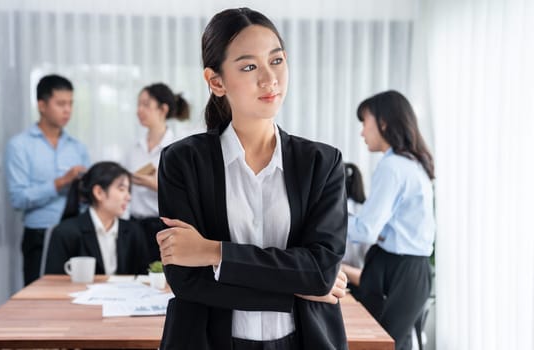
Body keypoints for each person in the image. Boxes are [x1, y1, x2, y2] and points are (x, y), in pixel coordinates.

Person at [155, 8, 348, 350]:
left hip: (304, 341)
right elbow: (186, 281)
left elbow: (320, 271)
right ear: (216, 81)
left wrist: (214, 253)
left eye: (276, 61)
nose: (269, 79)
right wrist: (296, 287)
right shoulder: (182, 161)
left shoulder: (322, 162)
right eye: (248, 67)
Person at [348, 90, 435, 350]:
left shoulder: (393, 166)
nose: (362, 132)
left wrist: (328, 223)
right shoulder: (412, 163)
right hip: (407, 267)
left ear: (383, 122)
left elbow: (365, 230)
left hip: (401, 268)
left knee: (383, 344)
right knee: (398, 342)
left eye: (365, 123)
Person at [5, 74, 90, 285]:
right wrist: (61, 182)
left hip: (75, 234)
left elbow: (88, 197)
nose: (67, 110)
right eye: (61, 103)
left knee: (78, 296)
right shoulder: (20, 145)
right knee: (38, 301)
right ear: (42, 105)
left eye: (70, 103)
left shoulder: (78, 147)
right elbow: (18, 198)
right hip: (39, 236)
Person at [45, 161, 150, 275]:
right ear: (99, 192)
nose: (128, 197)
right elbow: (54, 283)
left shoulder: (134, 231)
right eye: (121, 189)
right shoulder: (65, 233)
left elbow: (145, 277)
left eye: (128, 190)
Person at [124, 83, 190, 262]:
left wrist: (155, 185)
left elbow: (188, 194)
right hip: (133, 225)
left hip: (163, 228)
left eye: (146, 104)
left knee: (161, 280)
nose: (139, 110)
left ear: (163, 109)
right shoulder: (134, 147)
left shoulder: (179, 147)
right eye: (138, 104)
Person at [340, 162, 370, 300]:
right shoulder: (365, 212)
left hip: (357, 287)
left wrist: (341, 269)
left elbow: (369, 277)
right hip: (339, 283)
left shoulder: (364, 218)